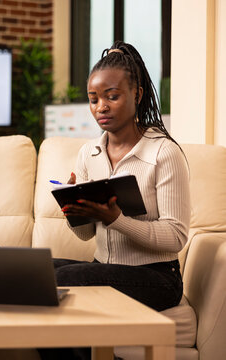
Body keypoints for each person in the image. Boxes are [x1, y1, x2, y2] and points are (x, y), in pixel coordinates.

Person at [39, 41, 190, 360]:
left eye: (112, 96)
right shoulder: (88, 153)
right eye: (94, 99)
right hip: (104, 268)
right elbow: (86, 235)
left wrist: (116, 219)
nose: (101, 107)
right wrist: (74, 211)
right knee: (37, 272)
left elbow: (176, 236)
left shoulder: (164, 152)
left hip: (158, 277)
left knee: (65, 279)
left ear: (136, 94)